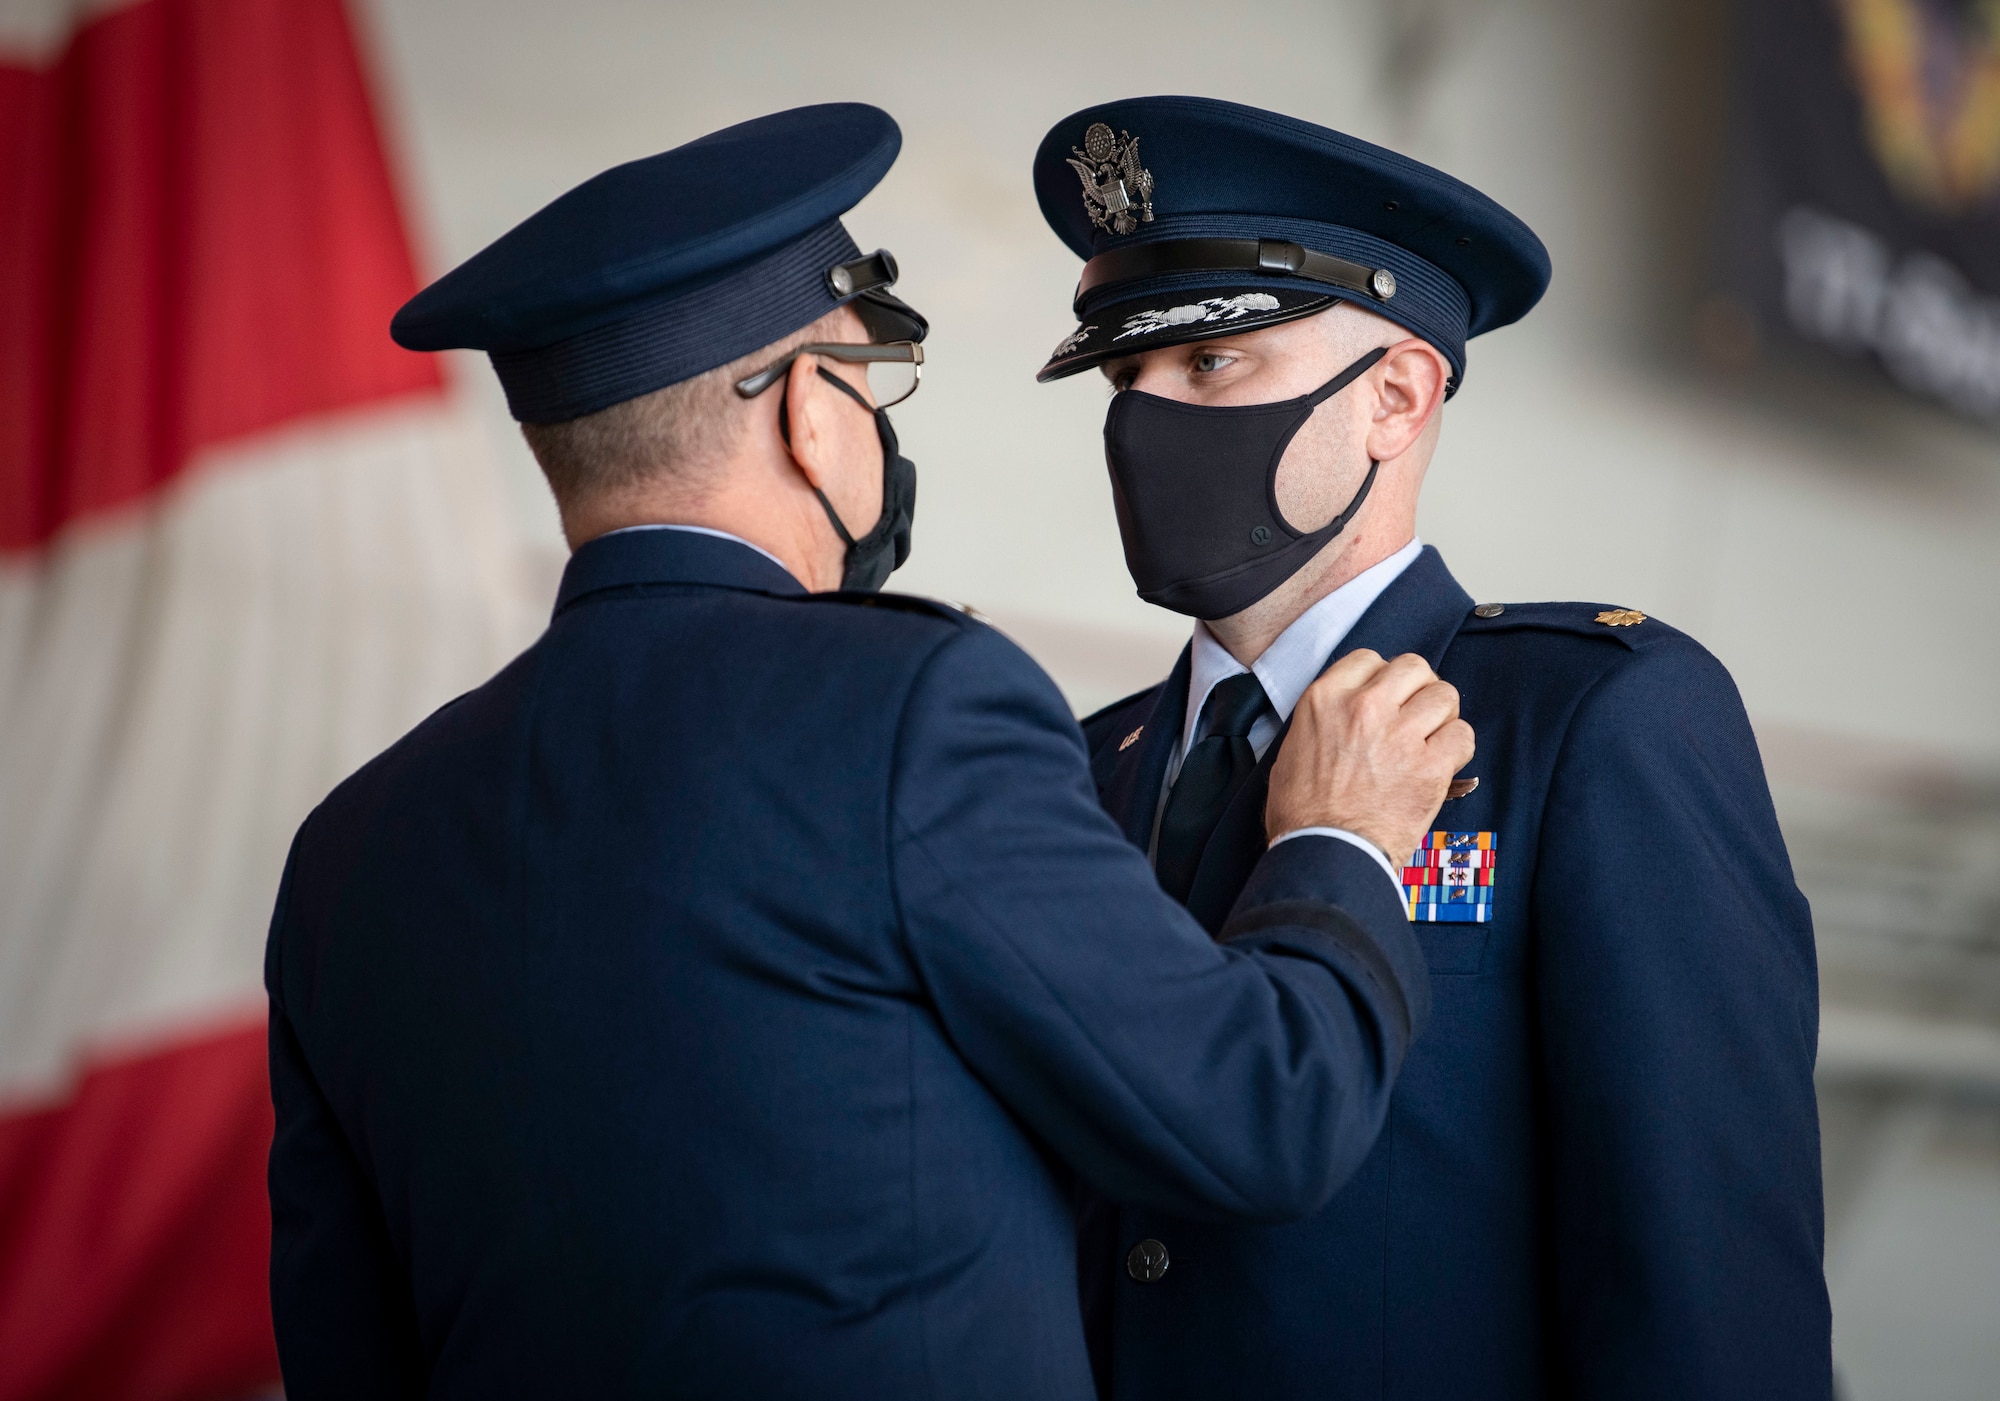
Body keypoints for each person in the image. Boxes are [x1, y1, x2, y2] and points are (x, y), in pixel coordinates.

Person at [263, 103, 1471, 1401]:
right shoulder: (914, 711)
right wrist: (1341, 837)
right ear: (807, 412)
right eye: (870, 382)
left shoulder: (349, 851)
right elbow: (1261, 1113)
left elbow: (347, 1355)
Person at [1033, 96, 1831, 1400]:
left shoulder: (1586, 725)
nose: (1143, 416)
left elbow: (1704, 1291)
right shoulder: (1076, 769)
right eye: (1125, 373)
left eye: (1210, 363)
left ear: (1396, 397)